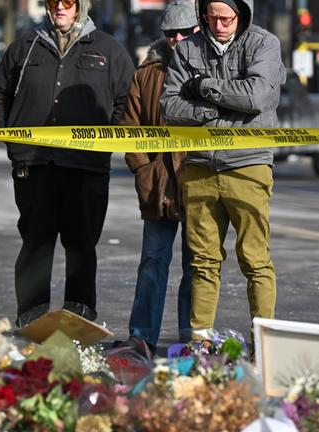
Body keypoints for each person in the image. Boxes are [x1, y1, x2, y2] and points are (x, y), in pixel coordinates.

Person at [0, 0, 135, 327]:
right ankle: (31, 319)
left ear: (81, 6)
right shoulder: (24, 47)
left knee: (81, 245)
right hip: (35, 165)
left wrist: (106, 141)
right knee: (35, 245)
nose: (60, 8)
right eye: (54, 2)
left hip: (86, 167)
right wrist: (14, 139)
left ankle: (79, 318)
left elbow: (127, 99)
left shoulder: (109, 49)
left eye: (68, 2)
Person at [161, 0, 285, 341]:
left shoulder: (264, 43)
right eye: (211, 17)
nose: (219, 25)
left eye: (226, 18)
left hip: (249, 165)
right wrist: (212, 114)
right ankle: (200, 345)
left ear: (242, 14)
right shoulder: (187, 49)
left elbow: (255, 98)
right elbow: (169, 107)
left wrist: (201, 88)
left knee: (255, 260)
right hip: (199, 166)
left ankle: (264, 343)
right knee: (202, 263)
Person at [121, 0, 199, 352]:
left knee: (197, 266)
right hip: (159, 188)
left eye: (184, 32)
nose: (176, 39)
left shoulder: (210, 72)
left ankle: (190, 339)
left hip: (199, 184)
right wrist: (144, 169)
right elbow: (130, 129)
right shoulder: (147, 74)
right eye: (170, 33)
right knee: (153, 263)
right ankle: (142, 336)